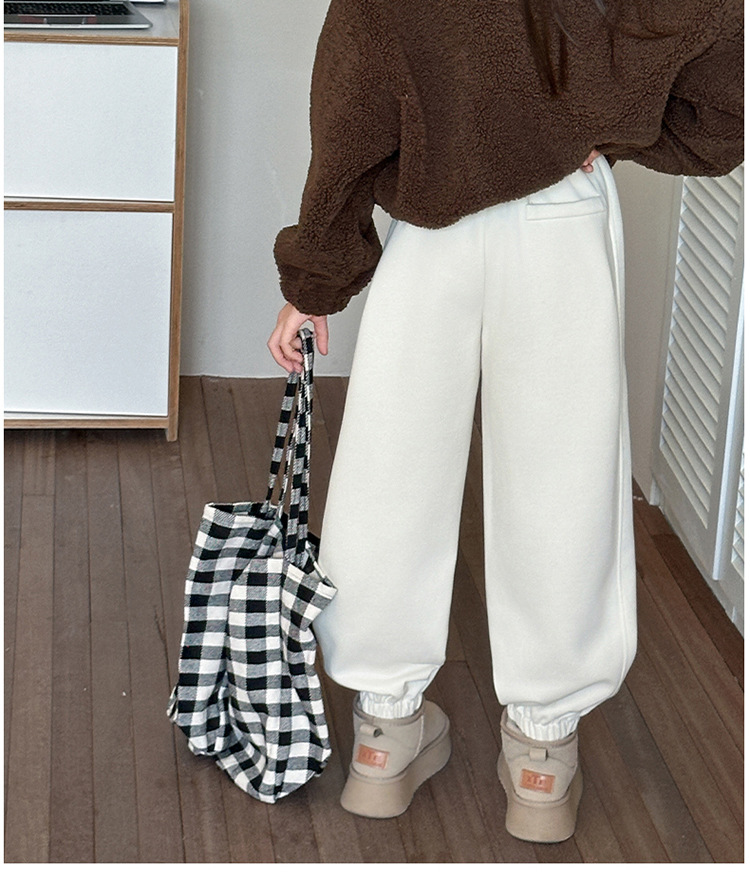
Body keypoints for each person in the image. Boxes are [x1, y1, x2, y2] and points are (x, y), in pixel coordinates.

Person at [267, 0, 743, 843]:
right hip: (564, 216)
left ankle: (383, 733)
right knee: (565, 477)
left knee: (389, 470)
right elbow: (720, 89)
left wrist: (315, 281)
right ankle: (541, 755)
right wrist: (602, 131)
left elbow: (352, 105)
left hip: (431, 226)